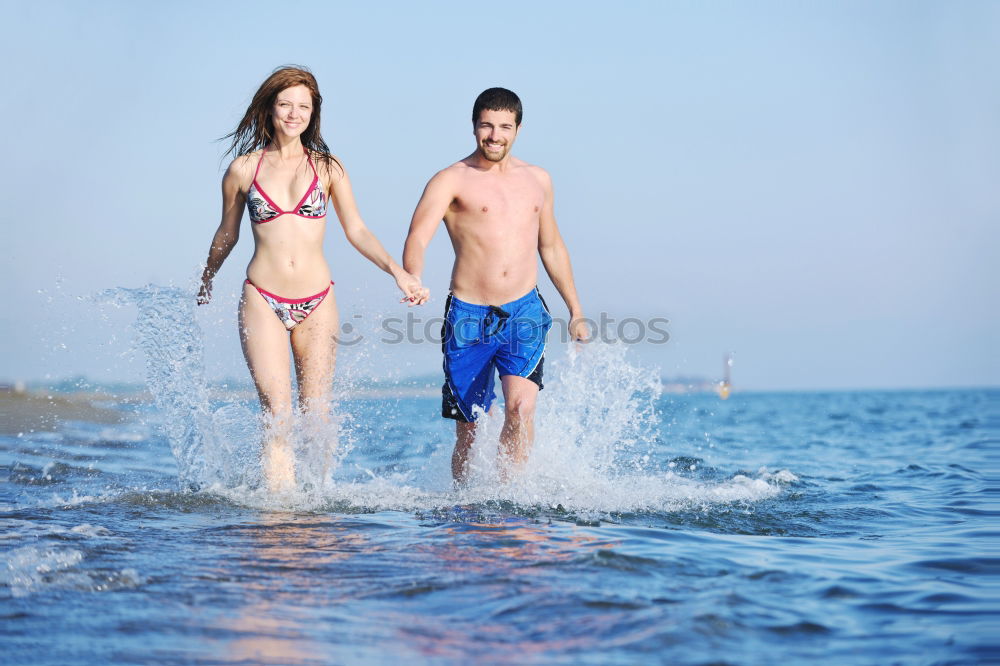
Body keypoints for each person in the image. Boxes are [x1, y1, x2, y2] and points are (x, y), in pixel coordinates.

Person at [197, 66, 426, 493]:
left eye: (303, 106)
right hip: (261, 298)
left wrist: (399, 273)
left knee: (316, 415)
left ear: (313, 113)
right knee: (278, 414)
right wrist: (208, 276)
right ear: (270, 108)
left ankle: (315, 500)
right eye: (285, 104)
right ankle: (279, 513)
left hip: (317, 300)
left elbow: (357, 230)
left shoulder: (327, 167)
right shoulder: (243, 170)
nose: (293, 113)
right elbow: (227, 232)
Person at [402, 87, 588, 483]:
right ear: (474, 127)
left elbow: (551, 246)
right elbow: (417, 236)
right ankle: (464, 504)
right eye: (487, 125)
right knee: (470, 429)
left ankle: (511, 498)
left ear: (517, 129)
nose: (494, 135)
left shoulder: (538, 180)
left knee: (520, 410)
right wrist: (413, 277)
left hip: (525, 310)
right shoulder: (450, 179)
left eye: (504, 126)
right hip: (468, 314)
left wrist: (575, 310)